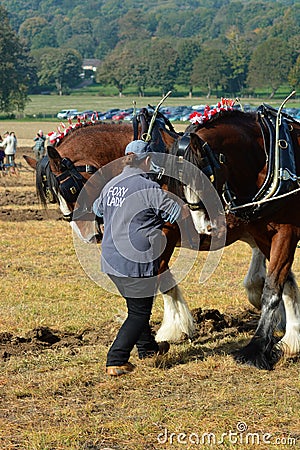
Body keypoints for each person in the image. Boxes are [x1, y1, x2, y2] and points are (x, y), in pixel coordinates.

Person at [93, 140, 184, 376]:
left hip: (111, 260)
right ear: (146, 161)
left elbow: (97, 210)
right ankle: (116, 359)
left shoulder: (112, 184)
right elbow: (176, 213)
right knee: (139, 313)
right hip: (135, 262)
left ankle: (148, 349)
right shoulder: (147, 187)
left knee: (136, 305)